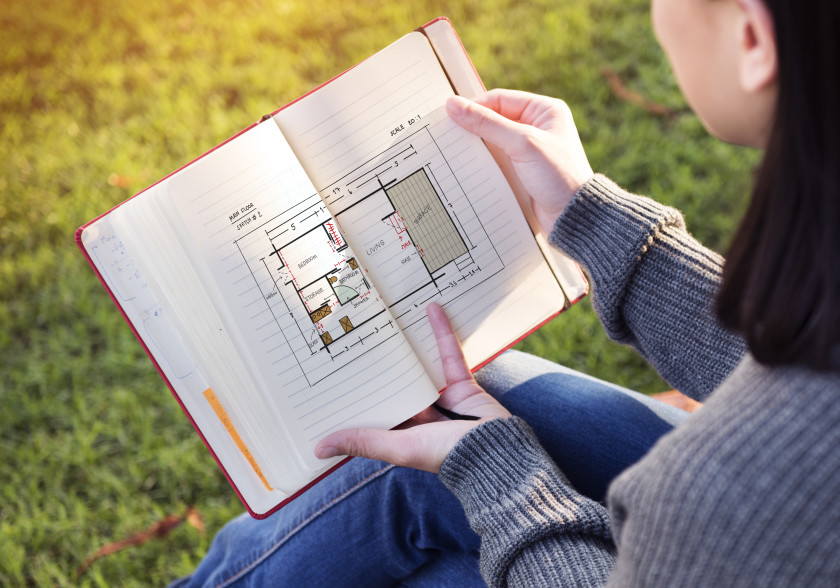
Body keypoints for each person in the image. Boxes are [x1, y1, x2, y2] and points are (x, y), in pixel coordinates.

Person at [174, 0, 840, 585]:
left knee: (425, 486)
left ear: (752, 38)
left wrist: (502, 476)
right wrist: (596, 222)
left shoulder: (726, 488)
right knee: (462, 408)